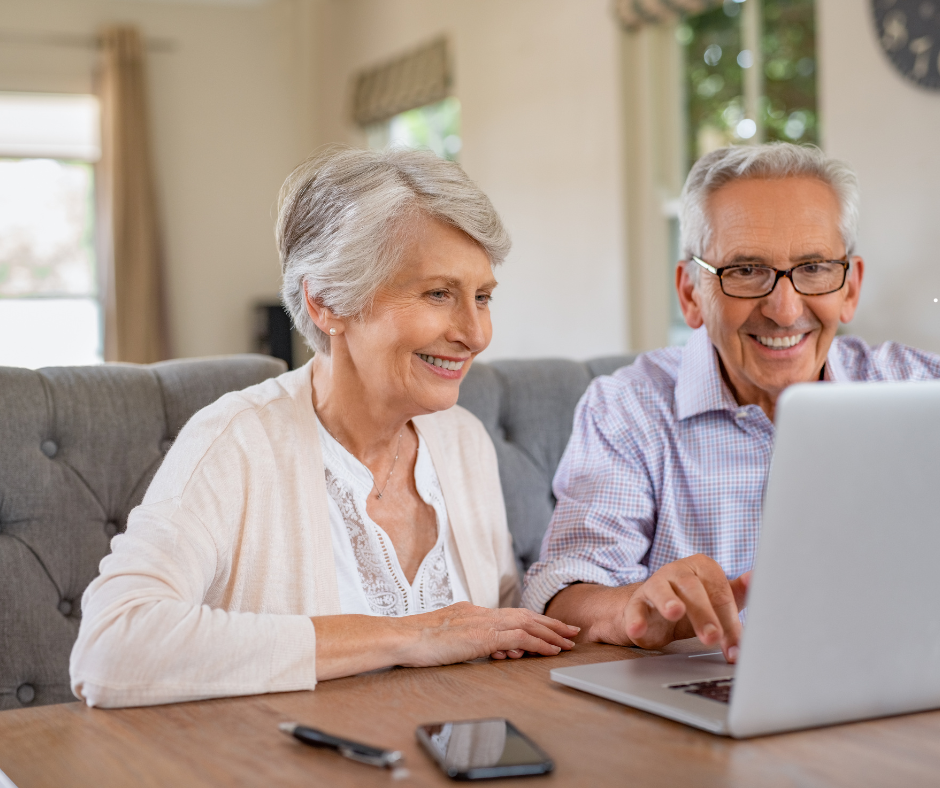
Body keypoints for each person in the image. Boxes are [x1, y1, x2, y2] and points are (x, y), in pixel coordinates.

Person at [70, 147, 577, 708]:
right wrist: (411, 636)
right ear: (327, 302)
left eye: (482, 297)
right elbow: (110, 646)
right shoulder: (235, 442)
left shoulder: (463, 441)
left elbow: (495, 630)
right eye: (438, 293)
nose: (475, 334)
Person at [523, 143, 940, 663]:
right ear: (691, 293)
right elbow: (565, 594)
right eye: (745, 271)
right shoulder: (626, 408)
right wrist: (633, 607)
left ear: (850, 288)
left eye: (813, 267)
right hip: (701, 698)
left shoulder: (921, 387)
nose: (784, 310)